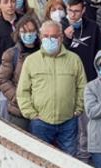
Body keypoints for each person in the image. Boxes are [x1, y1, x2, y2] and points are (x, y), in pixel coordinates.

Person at [17, 20, 87, 154]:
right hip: (40, 122)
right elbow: (23, 91)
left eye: (54, 36)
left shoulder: (74, 60)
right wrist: (31, 114)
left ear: (61, 38)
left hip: (68, 121)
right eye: (46, 36)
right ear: (41, 37)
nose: (50, 39)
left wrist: (78, 109)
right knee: (40, 159)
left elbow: (82, 86)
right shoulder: (31, 61)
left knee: (70, 160)